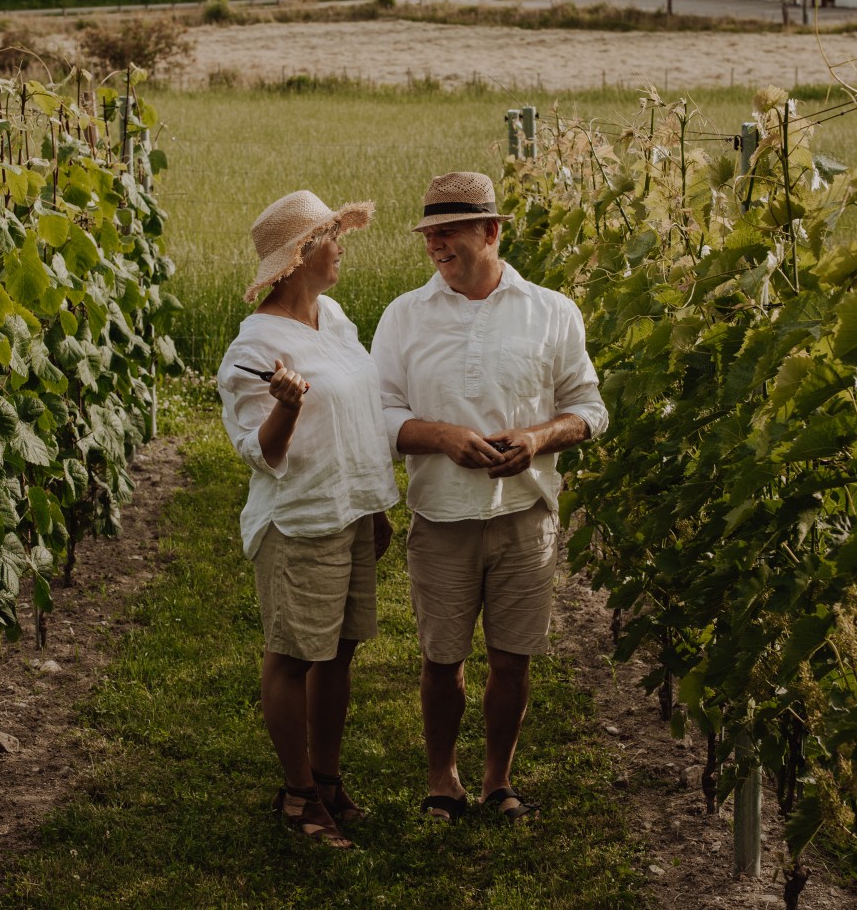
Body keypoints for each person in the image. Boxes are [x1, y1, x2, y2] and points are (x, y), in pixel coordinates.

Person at [371, 171, 607, 824]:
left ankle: (497, 781)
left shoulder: (551, 312)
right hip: (441, 517)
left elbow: (589, 408)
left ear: (492, 231)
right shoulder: (403, 317)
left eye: (448, 232)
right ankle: (442, 780)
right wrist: (441, 437)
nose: (435, 245)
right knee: (441, 661)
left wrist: (538, 438)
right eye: (429, 234)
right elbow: (381, 414)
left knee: (512, 661)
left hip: (524, 517)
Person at [216, 189, 399, 848]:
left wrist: (375, 505)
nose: (340, 246)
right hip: (299, 519)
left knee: (339, 649)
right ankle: (297, 796)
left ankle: (325, 777)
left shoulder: (334, 316)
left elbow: (359, 416)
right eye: (329, 237)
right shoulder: (255, 347)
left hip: (347, 509)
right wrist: (286, 407)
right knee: (294, 654)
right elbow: (260, 453)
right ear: (297, 259)